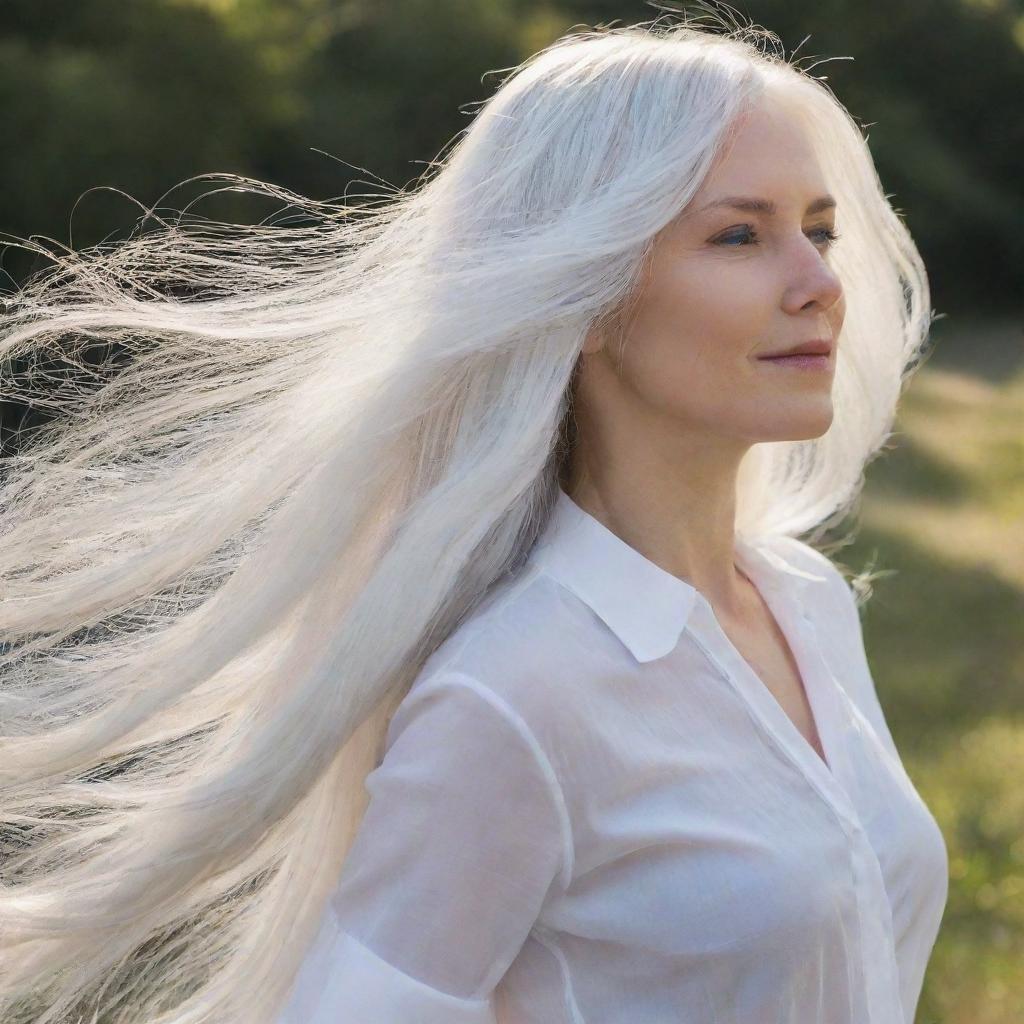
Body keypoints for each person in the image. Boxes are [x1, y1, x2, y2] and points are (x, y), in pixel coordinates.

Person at [0, 11, 947, 1024]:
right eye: (738, 234)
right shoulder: (512, 696)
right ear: (578, 296)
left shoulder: (804, 602)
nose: (817, 285)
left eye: (819, 230)